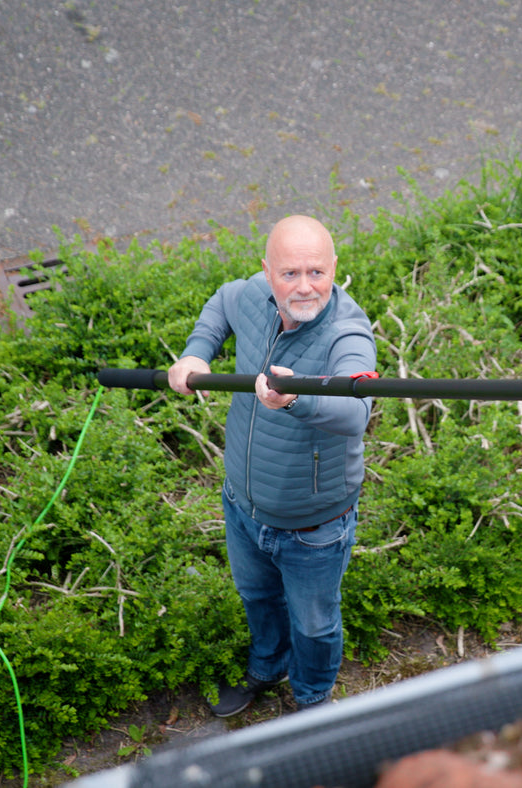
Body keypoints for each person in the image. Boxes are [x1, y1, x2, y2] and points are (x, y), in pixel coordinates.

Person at [167, 215, 376, 715]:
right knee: (257, 597)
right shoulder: (251, 297)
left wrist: (296, 396)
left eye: (317, 273)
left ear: (334, 269)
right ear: (267, 272)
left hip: (313, 527)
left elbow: (355, 412)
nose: (305, 288)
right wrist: (197, 354)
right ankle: (267, 666)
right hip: (242, 506)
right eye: (289, 274)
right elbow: (221, 301)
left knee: (314, 624)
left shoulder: (348, 331)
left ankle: (311, 700)